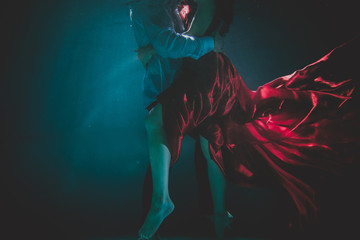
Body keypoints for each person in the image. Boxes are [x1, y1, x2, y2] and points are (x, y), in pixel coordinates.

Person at [138, 0, 360, 239]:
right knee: (211, 138)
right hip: (212, 71)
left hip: (205, 73)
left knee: (160, 123)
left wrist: (155, 47)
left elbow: (190, 39)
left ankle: (164, 201)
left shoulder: (208, 2)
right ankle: (220, 215)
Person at [129, 0, 224, 239]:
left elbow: (173, 41)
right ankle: (214, 214)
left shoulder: (177, 5)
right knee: (173, 141)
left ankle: (215, 214)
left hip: (190, 84)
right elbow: (171, 43)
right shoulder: (153, 6)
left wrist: (156, 47)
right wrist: (157, 47)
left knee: (205, 138)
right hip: (172, 88)